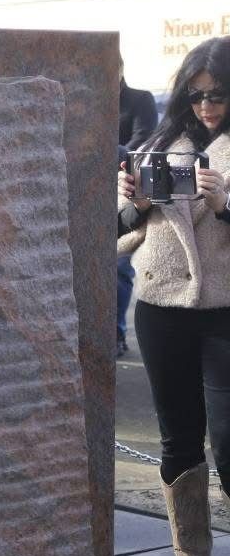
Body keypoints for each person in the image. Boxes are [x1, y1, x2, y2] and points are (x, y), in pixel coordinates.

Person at [117, 36, 230, 556]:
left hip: (226, 312)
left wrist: (225, 206)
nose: (206, 106)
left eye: (218, 95)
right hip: (162, 306)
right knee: (177, 435)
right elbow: (119, 231)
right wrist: (132, 205)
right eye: (196, 94)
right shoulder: (161, 143)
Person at [118, 70, 160, 358]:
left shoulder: (140, 99)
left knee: (120, 267)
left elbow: (144, 138)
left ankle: (117, 332)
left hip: (133, 177)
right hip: (115, 188)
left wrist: (121, 160)